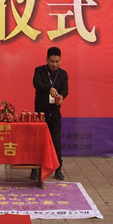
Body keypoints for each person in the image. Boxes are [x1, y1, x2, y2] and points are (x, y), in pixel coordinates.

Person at [32, 46, 68, 181]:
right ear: (47, 59)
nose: (54, 64)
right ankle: (34, 169)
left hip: (55, 113)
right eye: (52, 61)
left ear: (60, 60)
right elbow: (36, 84)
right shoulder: (40, 71)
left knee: (56, 141)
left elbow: (65, 89)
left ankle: (58, 169)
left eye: (57, 61)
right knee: (38, 142)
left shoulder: (63, 74)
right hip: (41, 113)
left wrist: (62, 96)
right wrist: (49, 88)